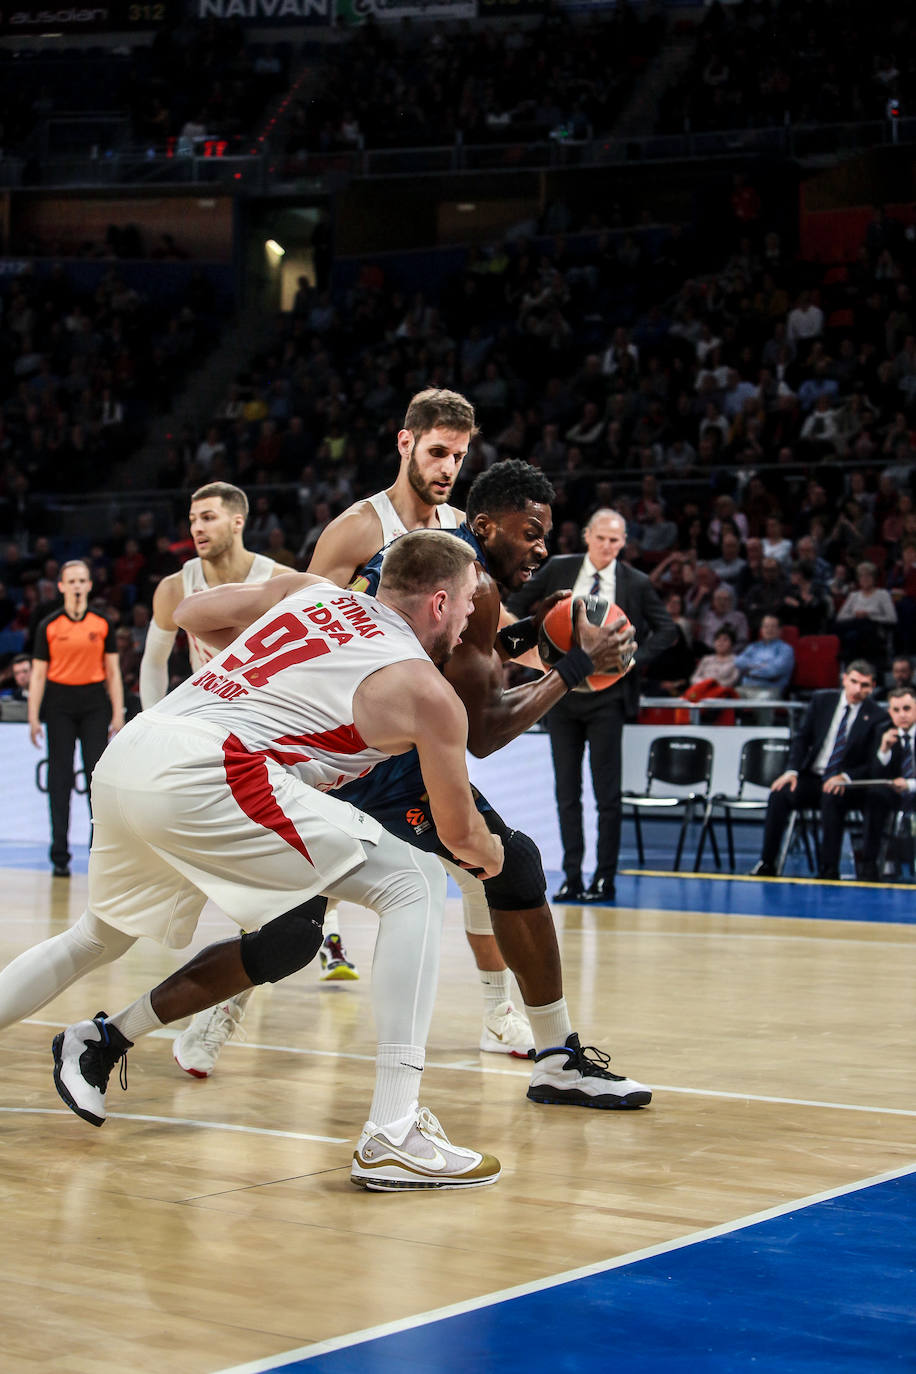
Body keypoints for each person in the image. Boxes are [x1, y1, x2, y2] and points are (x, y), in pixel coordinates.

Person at [137, 460, 650, 1112]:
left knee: (299, 924)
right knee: (481, 870)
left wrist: (534, 639)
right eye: (532, 533)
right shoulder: (466, 580)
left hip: (334, 740)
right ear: (487, 524)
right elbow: (484, 730)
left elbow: (464, 660)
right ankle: (537, 1061)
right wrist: (573, 665)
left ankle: (122, 1033)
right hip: (362, 751)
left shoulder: (431, 557)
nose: (544, 548)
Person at [6, 535, 505, 1192]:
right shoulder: (421, 688)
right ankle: (392, 1131)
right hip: (212, 771)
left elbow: (190, 616)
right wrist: (496, 856)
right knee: (411, 884)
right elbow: (461, 834)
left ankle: (99, 1041)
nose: (472, 615)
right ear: (440, 602)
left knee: (101, 933)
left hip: (138, 751)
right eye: (470, 601)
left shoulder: (310, 592)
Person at [306, 388, 537, 1059]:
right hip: (354, 738)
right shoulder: (356, 528)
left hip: (425, 734)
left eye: (459, 456)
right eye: (437, 451)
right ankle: (217, 1016)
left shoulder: (466, 528)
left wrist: (549, 645)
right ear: (404, 442)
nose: (447, 467)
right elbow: (305, 627)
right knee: (303, 888)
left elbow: (481, 640)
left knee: (477, 869)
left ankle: (498, 1013)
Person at [138, 482, 354, 1066]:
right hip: (202, 735)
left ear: (238, 521)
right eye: (191, 517)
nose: (196, 526)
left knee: (300, 878)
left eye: (207, 516)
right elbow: (154, 660)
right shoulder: (174, 588)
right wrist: (151, 719)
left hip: (271, 737)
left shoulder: (277, 578)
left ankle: (221, 1009)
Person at [507, 507, 676, 904]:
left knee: (607, 794)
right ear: (587, 536)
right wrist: (541, 652)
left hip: (608, 698)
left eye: (615, 540)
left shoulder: (635, 582)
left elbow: (667, 629)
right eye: (601, 538)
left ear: (624, 543)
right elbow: (515, 605)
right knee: (567, 791)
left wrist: (630, 659)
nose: (606, 546)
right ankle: (571, 878)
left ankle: (604, 879)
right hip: (561, 692)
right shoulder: (559, 569)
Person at [28, 560, 124, 878]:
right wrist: (32, 716)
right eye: (71, 581)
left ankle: (99, 853)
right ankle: (59, 856)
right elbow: (39, 674)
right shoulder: (49, 626)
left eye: (83, 580)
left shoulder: (102, 623)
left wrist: (117, 712)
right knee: (60, 782)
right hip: (59, 705)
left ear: (89, 585)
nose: (78, 586)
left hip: (95, 704)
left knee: (97, 782)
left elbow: (112, 672)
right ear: (61, 586)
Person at [749, 661, 887, 879]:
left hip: (847, 782)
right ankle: (767, 863)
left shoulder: (878, 715)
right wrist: (792, 770)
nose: (857, 690)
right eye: (853, 682)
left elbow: (873, 762)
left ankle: (829, 869)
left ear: (872, 687)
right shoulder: (822, 700)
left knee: (832, 796)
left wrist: (846, 777)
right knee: (778, 794)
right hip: (813, 775)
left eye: (864, 685)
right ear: (844, 679)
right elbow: (802, 739)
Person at [857, 686, 916, 880]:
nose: (902, 715)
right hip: (894, 793)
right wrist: (884, 750)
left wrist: (910, 784)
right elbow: (874, 774)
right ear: (889, 712)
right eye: (896, 710)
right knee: (875, 796)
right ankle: (869, 864)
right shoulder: (883, 731)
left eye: (907, 709)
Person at [734, 613, 796, 702]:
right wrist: (761, 666)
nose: (769, 630)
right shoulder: (753, 647)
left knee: (763, 700)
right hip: (746, 688)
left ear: (779, 630)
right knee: (726, 697)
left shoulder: (786, 649)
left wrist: (749, 670)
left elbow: (773, 671)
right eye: (766, 626)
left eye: (773, 627)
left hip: (769, 690)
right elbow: (738, 662)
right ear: (761, 629)